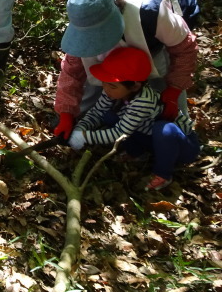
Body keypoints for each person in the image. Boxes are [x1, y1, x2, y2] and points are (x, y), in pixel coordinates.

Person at [53, 0, 199, 142]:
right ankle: (80, 123)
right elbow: (71, 71)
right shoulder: (84, 14)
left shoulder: (152, 13)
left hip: (161, 21)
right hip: (131, 7)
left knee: (159, 80)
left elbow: (184, 50)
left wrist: (173, 90)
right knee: (96, 82)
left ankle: (180, 136)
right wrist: (66, 113)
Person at [66, 47, 199, 191]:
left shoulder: (143, 101)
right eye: (104, 82)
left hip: (181, 147)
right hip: (150, 138)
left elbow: (119, 133)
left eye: (112, 86)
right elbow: (97, 112)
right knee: (109, 116)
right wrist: (81, 129)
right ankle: (137, 152)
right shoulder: (112, 92)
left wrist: (85, 137)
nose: (106, 88)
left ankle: (163, 174)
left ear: (135, 86)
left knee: (163, 129)